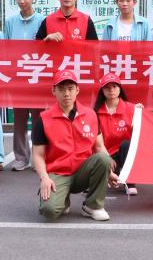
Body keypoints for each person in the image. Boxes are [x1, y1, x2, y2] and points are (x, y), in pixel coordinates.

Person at [32, 70, 116, 222]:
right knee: (49, 211)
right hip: (58, 173)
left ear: (77, 90)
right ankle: (63, 199)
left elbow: (99, 147)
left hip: (83, 170)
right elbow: (38, 155)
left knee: (104, 159)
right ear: (53, 91)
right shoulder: (43, 119)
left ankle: (92, 206)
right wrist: (44, 178)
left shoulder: (91, 115)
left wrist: (108, 171)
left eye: (70, 89)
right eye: (61, 89)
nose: (66, 94)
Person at [4, 0, 46, 173]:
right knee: (19, 119)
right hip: (18, 76)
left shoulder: (43, 20)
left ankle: (39, 158)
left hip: (37, 75)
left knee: (38, 119)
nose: (22, 1)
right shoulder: (10, 22)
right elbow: (5, 48)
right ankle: (21, 158)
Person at [94, 73, 138, 196]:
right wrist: (106, 159)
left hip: (126, 155)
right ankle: (105, 177)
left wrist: (140, 115)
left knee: (127, 144)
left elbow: (139, 135)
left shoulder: (133, 109)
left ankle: (130, 182)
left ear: (120, 88)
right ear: (102, 91)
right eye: (107, 87)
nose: (111, 90)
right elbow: (97, 143)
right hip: (106, 155)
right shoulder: (96, 112)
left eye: (114, 86)